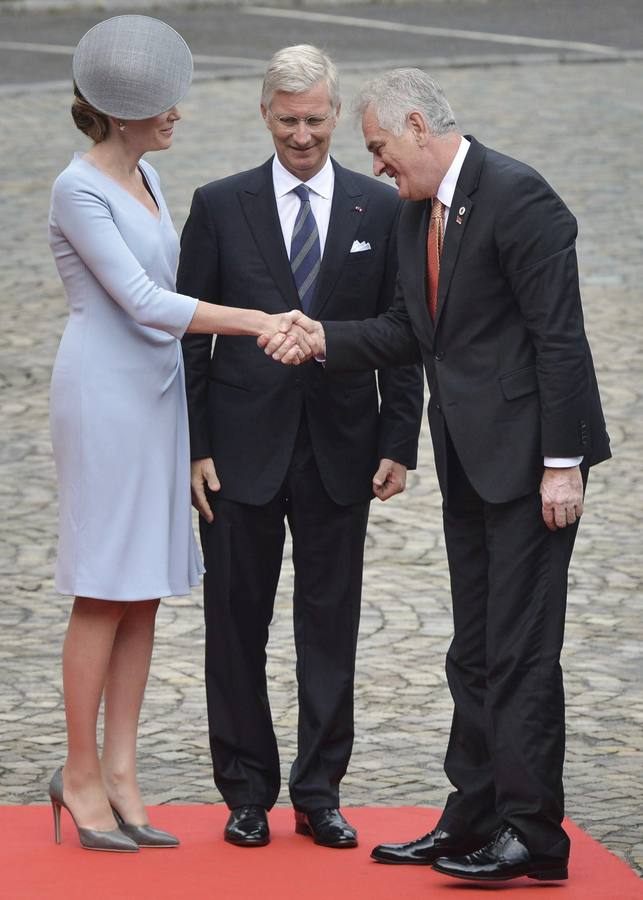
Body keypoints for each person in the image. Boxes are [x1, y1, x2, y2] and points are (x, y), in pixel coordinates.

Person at [263, 68, 610, 881]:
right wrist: (320, 338)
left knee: (521, 654)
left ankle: (534, 838)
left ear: (416, 125)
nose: (378, 167)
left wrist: (562, 466)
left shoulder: (520, 197)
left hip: (529, 468)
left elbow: (559, 339)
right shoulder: (420, 210)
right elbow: (405, 329)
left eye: (380, 148)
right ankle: (471, 819)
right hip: (468, 463)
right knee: (473, 652)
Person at [47, 15, 296, 853]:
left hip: (157, 397)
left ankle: (121, 773)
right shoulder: (76, 189)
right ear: (119, 113)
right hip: (105, 397)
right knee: (103, 582)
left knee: (144, 584)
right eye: (162, 105)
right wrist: (257, 320)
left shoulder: (148, 176)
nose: (176, 115)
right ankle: (78, 773)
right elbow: (147, 302)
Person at [177, 46, 423, 849]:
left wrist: (399, 439)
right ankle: (245, 792)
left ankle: (319, 793)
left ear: (333, 113)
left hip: (341, 449)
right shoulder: (219, 205)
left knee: (331, 625)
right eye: (288, 121)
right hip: (241, 453)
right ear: (264, 115)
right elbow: (189, 336)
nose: (303, 135)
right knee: (234, 626)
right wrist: (196, 446)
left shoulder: (376, 207)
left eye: (316, 119)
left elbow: (405, 333)